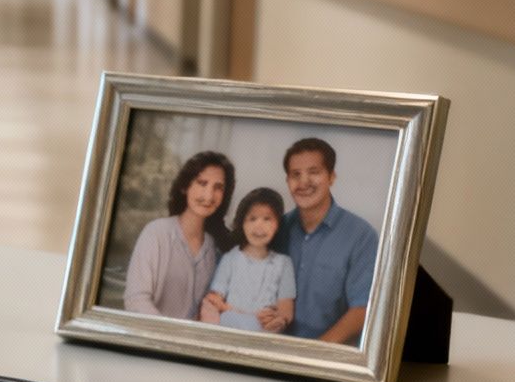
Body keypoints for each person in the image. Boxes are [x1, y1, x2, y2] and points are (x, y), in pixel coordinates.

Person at [270, 137, 378, 345]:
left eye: (314, 172)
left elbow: (363, 309)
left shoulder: (361, 235)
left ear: (331, 177)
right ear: (287, 181)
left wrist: (314, 354)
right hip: (275, 349)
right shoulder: (277, 229)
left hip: (330, 359)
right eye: (295, 175)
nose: (303, 182)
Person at [122, 151, 234, 320]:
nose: (209, 196)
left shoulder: (213, 249)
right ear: (185, 187)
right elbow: (135, 300)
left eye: (218, 188)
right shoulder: (156, 233)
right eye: (202, 183)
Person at [200, 187, 295, 332]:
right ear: (242, 223)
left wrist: (278, 319)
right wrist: (232, 311)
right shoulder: (230, 259)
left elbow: (286, 309)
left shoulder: (284, 264)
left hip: (264, 332)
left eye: (267, 219)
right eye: (252, 219)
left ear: (277, 225)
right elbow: (214, 299)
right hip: (230, 328)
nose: (259, 226)